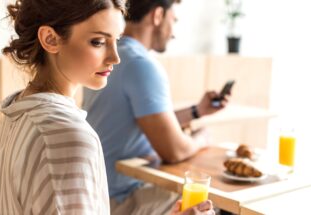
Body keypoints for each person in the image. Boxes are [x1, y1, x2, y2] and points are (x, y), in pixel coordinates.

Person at [0, 0, 214, 214]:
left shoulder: (16, 110)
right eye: (98, 42)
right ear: (50, 39)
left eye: (116, 40)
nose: (115, 58)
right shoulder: (68, 137)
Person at [83, 0, 228, 214]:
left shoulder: (108, 59)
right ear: (158, 15)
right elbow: (174, 151)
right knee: (211, 204)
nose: (174, 33)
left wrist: (198, 111)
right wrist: (202, 139)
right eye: (174, 21)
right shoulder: (141, 65)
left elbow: (146, 119)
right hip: (122, 197)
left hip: (99, 191)